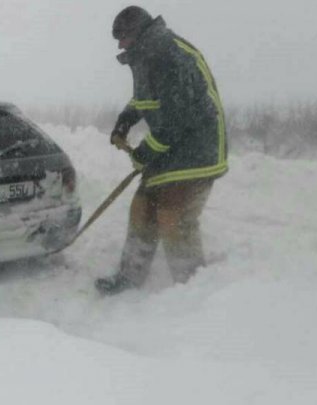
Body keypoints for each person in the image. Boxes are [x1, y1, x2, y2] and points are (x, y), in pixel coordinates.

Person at [95, 6, 228, 295]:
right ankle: (129, 277)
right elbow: (144, 100)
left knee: (172, 213)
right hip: (172, 150)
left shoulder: (170, 55)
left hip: (197, 150)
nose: (120, 44)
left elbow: (176, 118)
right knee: (141, 208)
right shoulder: (146, 57)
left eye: (123, 37)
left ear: (140, 32)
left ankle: (193, 287)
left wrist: (144, 152)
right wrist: (124, 122)